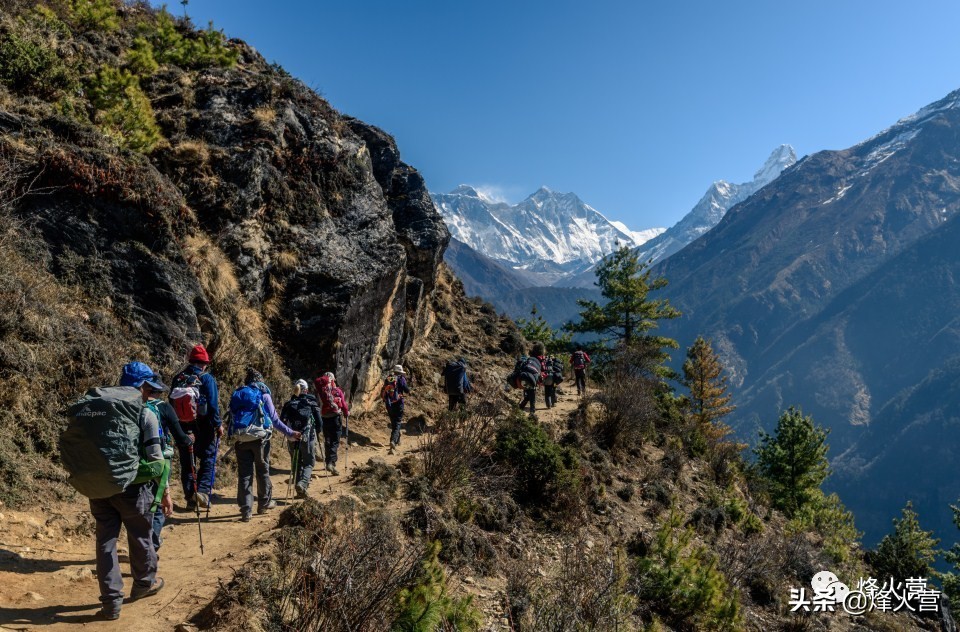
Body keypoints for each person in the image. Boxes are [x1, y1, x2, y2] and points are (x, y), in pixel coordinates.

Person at [89, 367, 169, 619]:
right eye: (149, 388)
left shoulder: (98, 410)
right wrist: (165, 491)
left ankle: (111, 602)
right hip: (133, 489)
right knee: (140, 535)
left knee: (105, 542)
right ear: (141, 387)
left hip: (99, 486)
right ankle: (144, 583)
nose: (150, 393)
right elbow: (156, 459)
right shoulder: (145, 414)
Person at [120, 362, 192, 553]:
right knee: (158, 504)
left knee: (144, 507)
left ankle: (144, 545)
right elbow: (179, 437)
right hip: (160, 460)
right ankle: (151, 546)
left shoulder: (124, 408)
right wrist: (189, 440)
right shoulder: (163, 408)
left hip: (133, 465)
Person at [230, 368, 300, 521]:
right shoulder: (264, 394)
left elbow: (232, 416)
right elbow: (274, 420)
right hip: (260, 440)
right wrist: (290, 433)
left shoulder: (239, 394)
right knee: (262, 471)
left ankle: (246, 510)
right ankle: (264, 504)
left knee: (245, 474)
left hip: (241, 439)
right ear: (260, 381)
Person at [170, 344, 223, 511]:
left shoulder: (178, 378)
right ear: (204, 363)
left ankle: (190, 499)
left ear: (190, 360)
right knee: (208, 457)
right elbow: (213, 406)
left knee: (187, 462)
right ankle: (203, 492)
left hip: (182, 425)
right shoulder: (206, 378)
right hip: (204, 426)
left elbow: (171, 403)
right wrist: (218, 424)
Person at [280, 379, 322, 499]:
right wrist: (317, 431)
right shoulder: (311, 402)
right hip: (307, 437)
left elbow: (281, 421)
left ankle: (300, 491)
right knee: (309, 462)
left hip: (292, 437)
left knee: (296, 463)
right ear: (306, 390)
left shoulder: (288, 404)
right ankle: (303, 484)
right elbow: (319, 422)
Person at [315, 372, 348, 476]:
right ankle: (331, 462)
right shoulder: (337, 391)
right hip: (335, 418)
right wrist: (346, 413)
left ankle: (328, 462)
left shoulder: (321, 391)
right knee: (335, 441)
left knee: (328, 440)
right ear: (332, 380)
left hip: (324, 418)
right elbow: (343, 404)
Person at [381, 365, 411, 454]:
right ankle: (393, 441)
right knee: (397, 423)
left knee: (394, 422)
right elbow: (407, 390)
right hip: (398, 403)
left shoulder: (389, 378)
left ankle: (396, 440)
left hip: (389, 404)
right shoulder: (401, 379)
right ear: (400, 372)